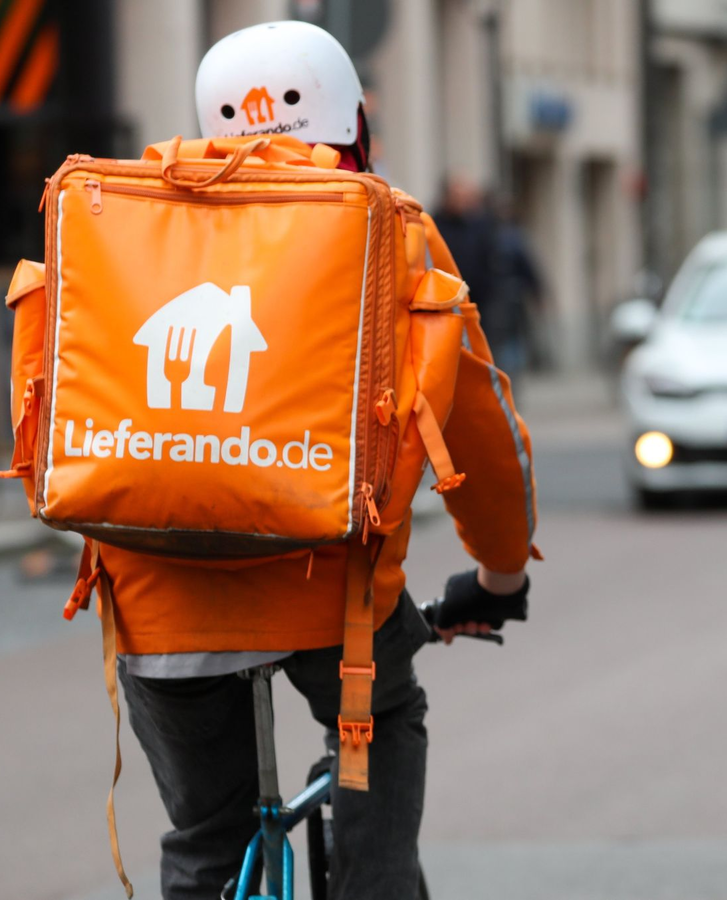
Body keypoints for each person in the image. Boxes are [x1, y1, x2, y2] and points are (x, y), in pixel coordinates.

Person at [109, 22, 538, 900]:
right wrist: (499, 577)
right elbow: (482, 436)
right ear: (355, 127)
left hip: (158, 602)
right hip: (332, 602)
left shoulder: (135, 228)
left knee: (207, 837)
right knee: (385, 714)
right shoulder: (392, 231)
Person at [431, 179, 543, 387]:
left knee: (492, 351)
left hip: (484, 303)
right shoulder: (435, 224)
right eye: (458, 196)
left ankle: (500, 386)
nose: (463, 201)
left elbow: (500, 262)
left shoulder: (481, 226)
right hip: (447, 303)